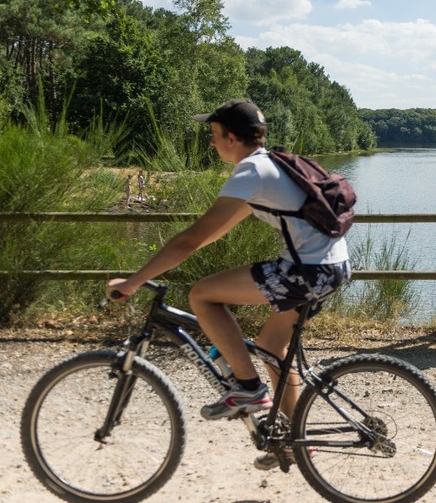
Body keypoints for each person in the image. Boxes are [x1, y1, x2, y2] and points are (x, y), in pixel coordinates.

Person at [106, 98, 351, 468]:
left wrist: (134, 281)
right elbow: (210, 235)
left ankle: (249, 390)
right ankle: (295, 441)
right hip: (332, 266)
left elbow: (191, 240)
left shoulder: (251, 172)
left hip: (307, 271)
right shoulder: (269, 165)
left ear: (233, 138)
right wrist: (157, 267)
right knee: (271, 346)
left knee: (202, 295)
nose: (211, 143)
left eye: (215, 135)